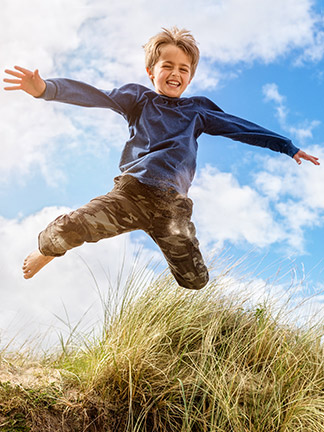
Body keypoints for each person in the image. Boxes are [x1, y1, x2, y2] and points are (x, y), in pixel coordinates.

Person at [3, 27, 319, 288]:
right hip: (131, 194)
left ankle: (169, 301)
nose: (174, 73)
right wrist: (47, 88)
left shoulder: (198, 109)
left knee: (195, 281)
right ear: (151, 71)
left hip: (172, 207)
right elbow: (99, 96)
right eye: (167, 66)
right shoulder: (138, 99)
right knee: (71, 226)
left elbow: (239, 127)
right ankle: (47, 251)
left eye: (183, 69)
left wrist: (286, 146)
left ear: (190, 77)